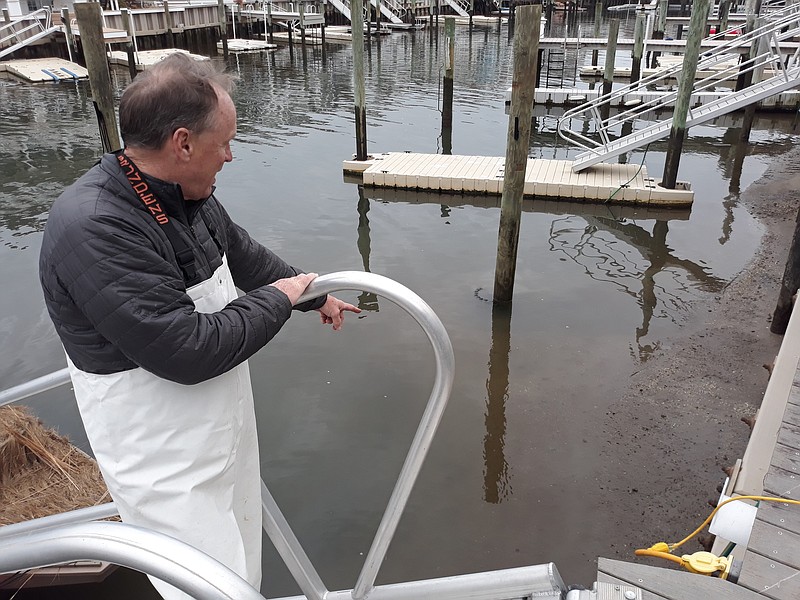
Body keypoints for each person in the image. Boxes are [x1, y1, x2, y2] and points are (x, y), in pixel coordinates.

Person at [38, 52, 359, 598]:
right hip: (161, 452)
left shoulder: (190, 192)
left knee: (239, 562)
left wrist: (312, 294)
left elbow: (241, 255)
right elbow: (185, 351)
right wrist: (281, 300)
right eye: (224, 144)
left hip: (219, 424)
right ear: (182, 143)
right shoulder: (95, 226)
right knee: (200, 584)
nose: (231, 157)